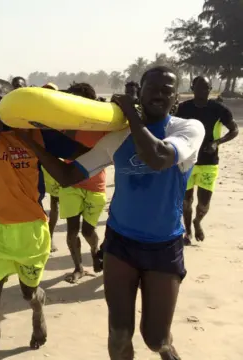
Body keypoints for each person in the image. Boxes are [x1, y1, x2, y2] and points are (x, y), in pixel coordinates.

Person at [17, 66, 204, 359]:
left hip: (163, 245)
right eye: (152, 88)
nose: (159, 94)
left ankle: (167, 350)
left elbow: (158, 157)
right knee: (118, 335)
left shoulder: (187, 128)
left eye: (167, 89)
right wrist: (30, 142)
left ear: (176, 97)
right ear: (140, 92)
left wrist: (130, 113)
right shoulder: (118, 138)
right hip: (120, 243)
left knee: (155, 339)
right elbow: (68, 176)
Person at [0, 79, 87, 359]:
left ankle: (38, 310)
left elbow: (80, 151)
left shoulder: (37, 133)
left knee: (28, 293)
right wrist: (2, 117)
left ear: (14, 101)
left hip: (31, 231)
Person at [177, 76, 238, 244]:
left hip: (209, 162)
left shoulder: (219, 109)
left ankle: (198, 221)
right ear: (192, 87)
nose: (202, 90)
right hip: (187, 161)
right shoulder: (182, 108)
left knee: (203, 204)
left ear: (210, 89)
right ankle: (187, 232)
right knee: (186, 201)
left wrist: (217, 142)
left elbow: (234, 130)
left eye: (205, 87)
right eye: (198, 87)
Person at [58, 83, 108, 282]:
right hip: (72, 183)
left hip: (96, 184)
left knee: (88, 230)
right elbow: (63, 145)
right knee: (71, 230)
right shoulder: (65, 125)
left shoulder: (103, 125)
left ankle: (95, 250)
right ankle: (78, 267)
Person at [40, 83, 61, 252]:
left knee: (55, 202)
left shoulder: (62, 115)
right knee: (35, 198)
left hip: (55, 162)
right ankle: (39, 234)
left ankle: (51, 236)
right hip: (36, 163)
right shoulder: (34, 114)